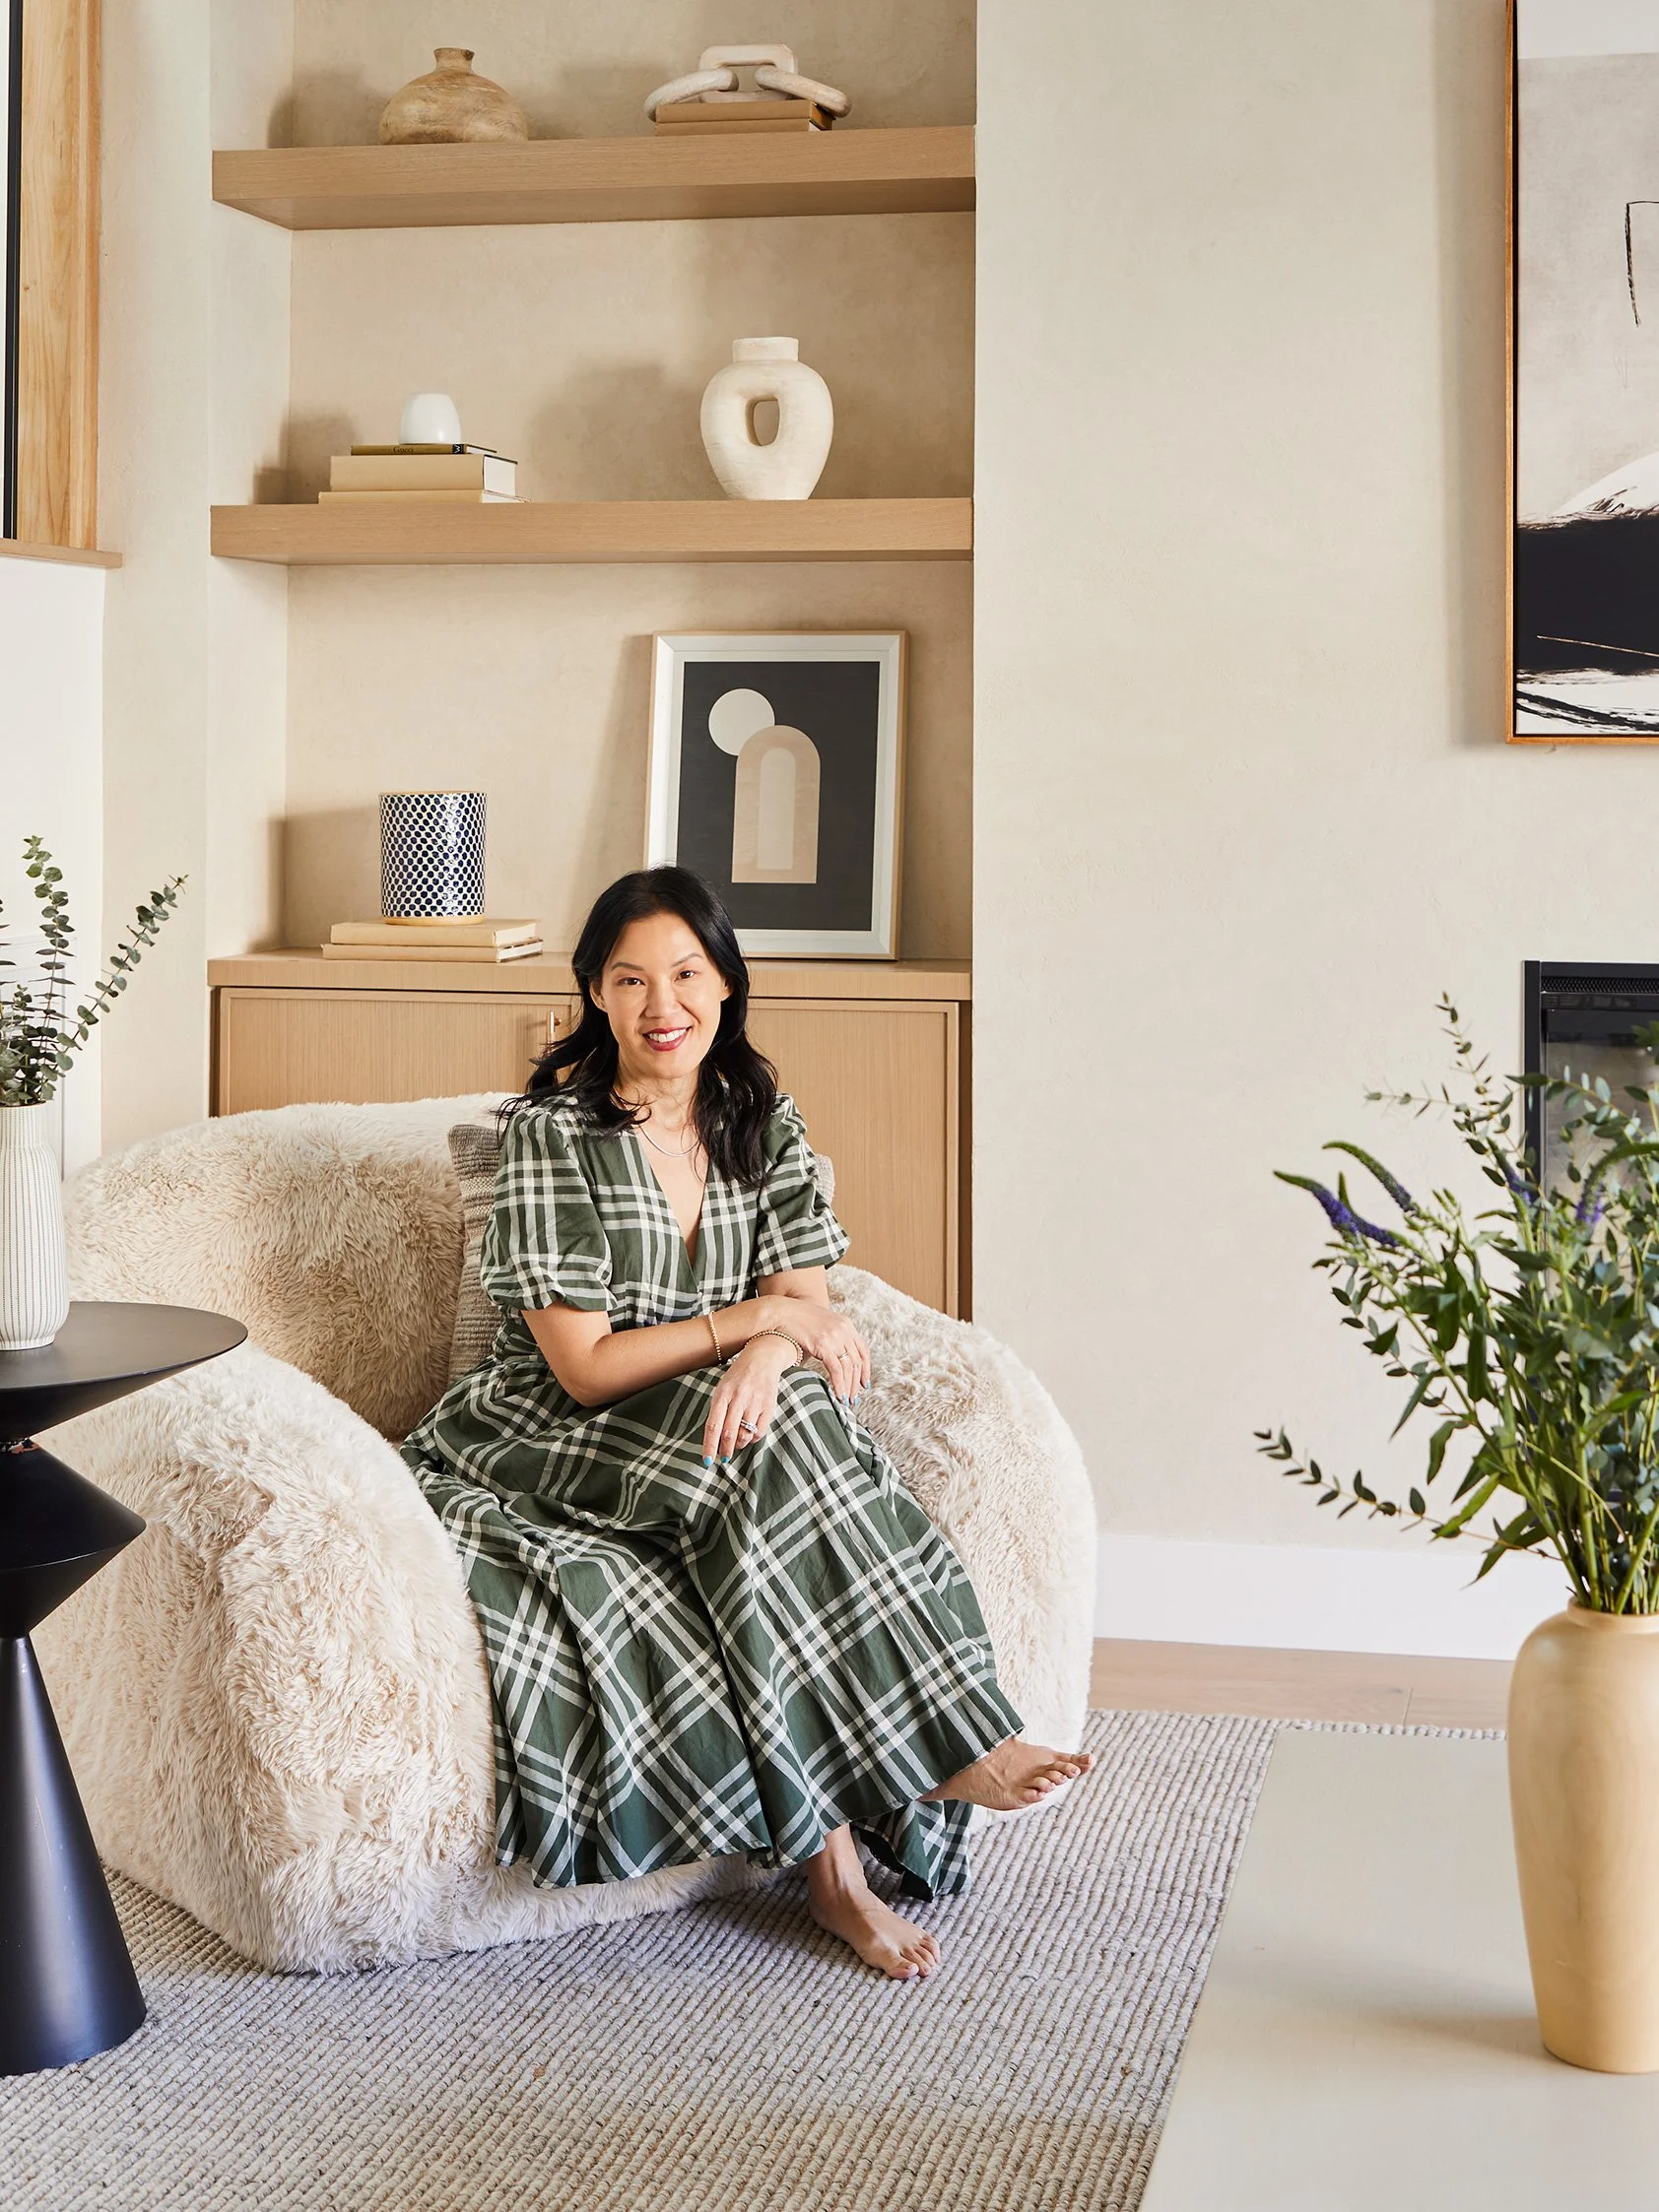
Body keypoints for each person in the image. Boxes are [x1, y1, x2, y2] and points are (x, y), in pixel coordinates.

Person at [403, 867, 1092, 1980]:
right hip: (558, 1430)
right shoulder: (548, 1136)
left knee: (790, 1415)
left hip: (710, 1410)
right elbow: (582, 1368)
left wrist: (774, 1344)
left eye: (684, 973)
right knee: (778, 1431)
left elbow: (806, 1299)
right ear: (594, 992)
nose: (658, 1002)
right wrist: (760, 1319)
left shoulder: (762, 1123)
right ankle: (942, 1750)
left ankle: (842, 1866)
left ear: (725, 986)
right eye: (628, 978)